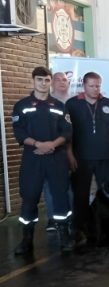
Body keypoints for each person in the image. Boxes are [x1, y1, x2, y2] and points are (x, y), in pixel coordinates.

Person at [12, 67, 73, 256]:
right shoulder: (21, 105)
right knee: (29, 198)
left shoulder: (59, 105)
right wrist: (39, 143)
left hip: (56, 157)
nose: (43, 83)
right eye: (40, 80)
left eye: (46, 80)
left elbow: (67, 131)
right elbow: (19, 133)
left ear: (50, 82)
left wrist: (51, 145)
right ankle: (26, 240)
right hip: (33, 158)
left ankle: (64, 237)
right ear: (33, 81)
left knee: (60, 197)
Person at [67, 72, 109, 243]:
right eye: (91, 85)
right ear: (83, 85)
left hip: (105, 157)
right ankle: (79, 230)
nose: (95, 89)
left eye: (98, 85)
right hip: (80, 158)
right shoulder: (72, 104)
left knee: (108, 194)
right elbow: (66, 132)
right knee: (80, 196)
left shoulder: (108, 103)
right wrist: (70, 155)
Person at [43, 71, 74, 231]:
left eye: (65, 80)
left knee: (72, 186)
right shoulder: (46, 103)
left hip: (76, 151)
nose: (62, 82)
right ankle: (52, 219)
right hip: (53, 153)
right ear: (51, 83)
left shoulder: (75, 102)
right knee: (50, 187)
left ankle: (71, 217)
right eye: (58, 79)